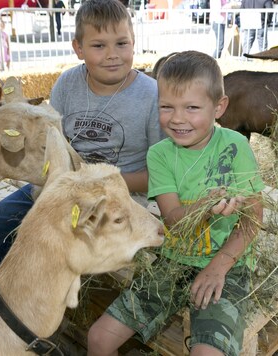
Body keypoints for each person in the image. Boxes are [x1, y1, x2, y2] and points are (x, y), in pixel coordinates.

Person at [0, 0, 165, 284]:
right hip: (57, 185)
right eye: (99, 46)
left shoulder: (152, 95)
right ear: (78, 48)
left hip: (118, 197)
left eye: (122, 43)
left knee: (60, 250)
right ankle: (1, 308)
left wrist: (100, 182)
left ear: (134, 43)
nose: (112, 55)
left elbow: (159, 176)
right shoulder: (67, 84)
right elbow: (51, 145)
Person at [87, 51, 265, 356]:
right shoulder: (159, 155)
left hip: (227, 262)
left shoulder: (235, 147)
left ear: (219, 107)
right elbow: (173, 220)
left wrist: (217, 267)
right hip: (174, 260)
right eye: (166, 107)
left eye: (192, 107)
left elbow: (252, 219)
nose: (178, 118)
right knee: (98, 339)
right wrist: (203, 207)